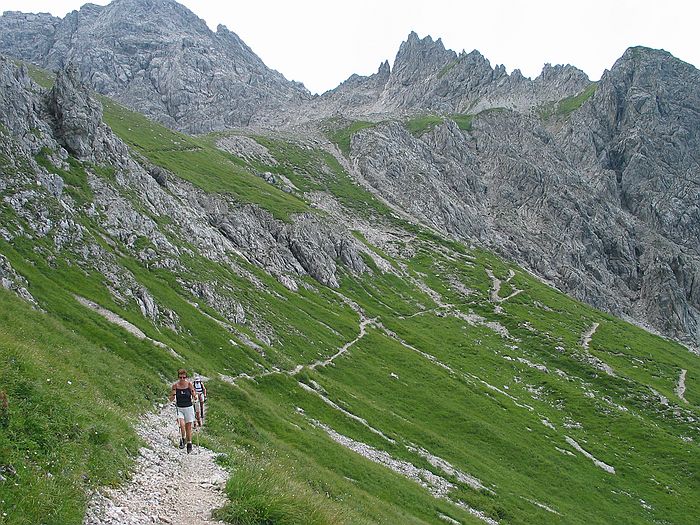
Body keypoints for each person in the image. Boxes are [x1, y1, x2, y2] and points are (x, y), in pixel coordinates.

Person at [169, 368, 197, 453]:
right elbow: (170, 398)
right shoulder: (175, 386)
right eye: (180, 377)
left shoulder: (189, 385)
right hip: (180, 408)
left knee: (188, 427)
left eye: (183, 377)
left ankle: (189, 443)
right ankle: (183, 438)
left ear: (186, 377)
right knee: (181, 424)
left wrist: (195, 397)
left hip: (188, 407)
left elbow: (193, 393)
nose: (182, 379)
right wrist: (173, 396)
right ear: (178, 377)